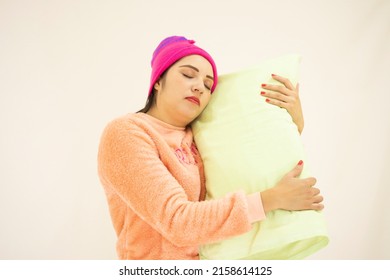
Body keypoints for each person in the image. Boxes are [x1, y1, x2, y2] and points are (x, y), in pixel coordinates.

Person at [97, 36, 324, 260]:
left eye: (208, 85)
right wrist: (270, 200)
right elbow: (177, 221)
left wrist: (295, 119)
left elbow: (250, 160)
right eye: (187, 75)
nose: (199, 88)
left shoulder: (199, 137)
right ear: (158, 80)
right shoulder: (126, 133)